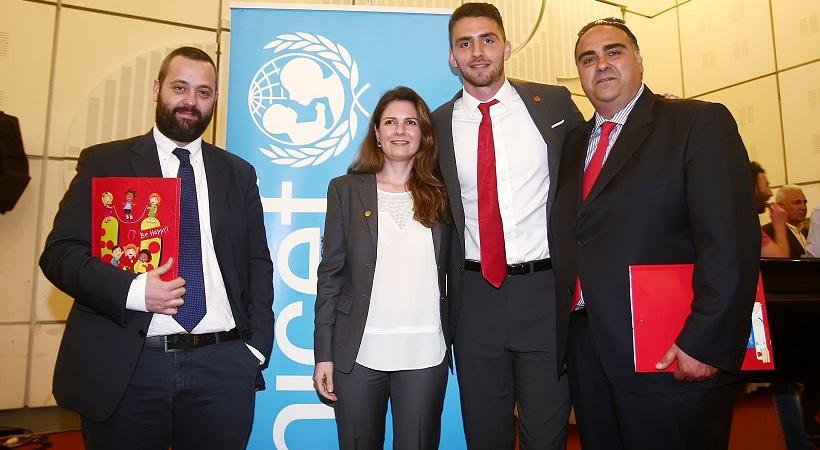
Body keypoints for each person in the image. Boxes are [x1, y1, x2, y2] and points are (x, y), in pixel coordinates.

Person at [39, 47, 274, 450]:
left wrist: (254, 349)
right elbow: (61, 254)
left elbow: (257, 263)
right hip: (128, 367)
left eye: (203, 92)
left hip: (222, 367)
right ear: (156, 89)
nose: (190, 101)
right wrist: (134, 291)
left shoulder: (238, 173)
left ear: (215, 99)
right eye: (179, 88)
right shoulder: (106, 162)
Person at [551, 18, 759, 449]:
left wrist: (705, 341)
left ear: (640, 59)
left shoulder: (695, 123)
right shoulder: (573, 144)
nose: (601, 65)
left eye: (614, 51)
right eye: (588, 59)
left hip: (670, 349)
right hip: (588, 351)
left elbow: (730, 244)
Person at [431, 3, 584, 449]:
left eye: (488, 40)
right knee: (485, 435)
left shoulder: (553, 104)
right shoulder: (436, 125)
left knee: (547, 435)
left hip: (545, 294)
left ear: (507, 47)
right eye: (465, 43)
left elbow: (597, 161)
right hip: (474, 299)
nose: (477, 52)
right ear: (452, 57)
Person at [313, 86, 451, 450]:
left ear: (423, 133)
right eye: (390, 122)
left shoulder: (443, 193)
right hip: (358, 353)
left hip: (425, 351)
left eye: (410, 122)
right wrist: (323, 353)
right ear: (376, 132)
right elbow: (330, 277)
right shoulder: (345, 190)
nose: (400, 130)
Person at [751, 161, 790, 258]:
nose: (771, 193)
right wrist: (779, 224)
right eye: (766, 186)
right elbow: (780, 259)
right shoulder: (746, 224)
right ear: (753, 189)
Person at [764, 184, 809, 258]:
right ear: (780, 206)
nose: (803, 207)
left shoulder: (806, 230)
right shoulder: (768, 232)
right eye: (797, 203)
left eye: (805, 202)